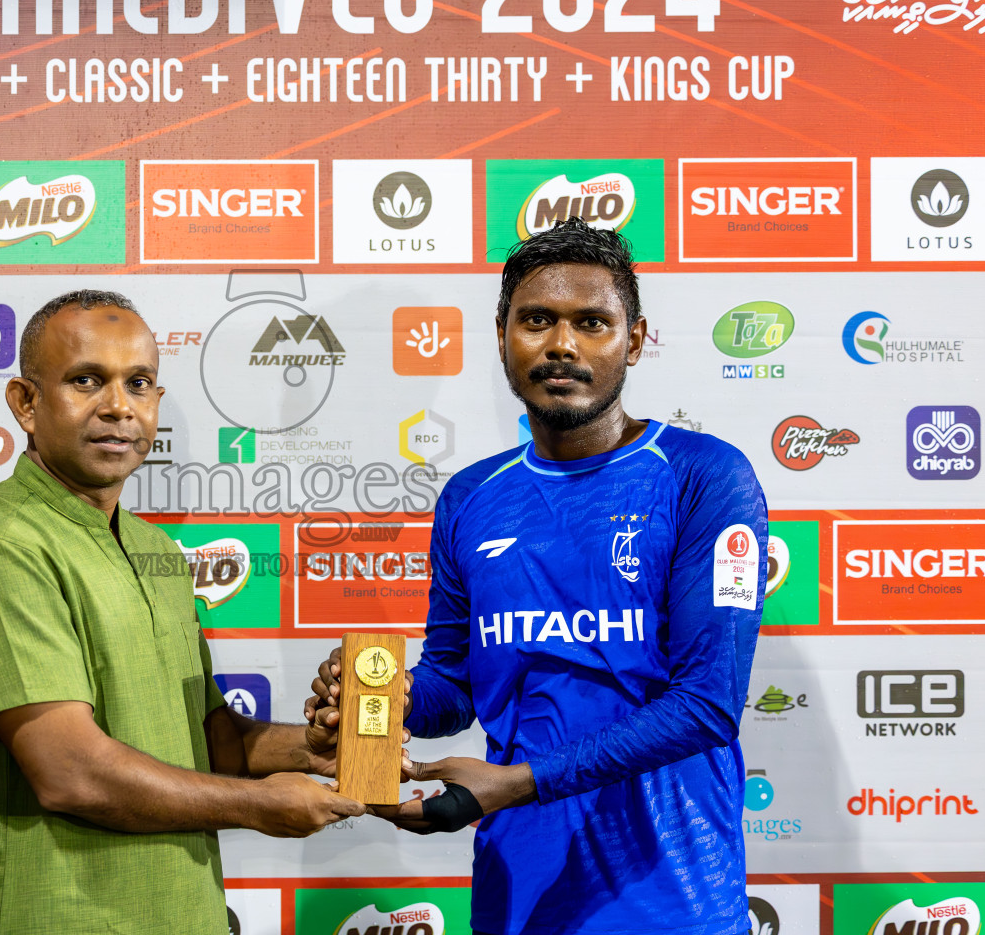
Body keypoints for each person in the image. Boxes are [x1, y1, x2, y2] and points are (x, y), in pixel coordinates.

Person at [307, 220, 767, 935]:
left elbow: (707, 704)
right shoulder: (471, 496)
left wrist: (516, 785)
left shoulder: (703, 477)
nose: (561, 344)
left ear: (634, 340)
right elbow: (454, 685)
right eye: (537, 321)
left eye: (591, 322)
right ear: (501, 336)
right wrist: (386, 697)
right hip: (517, 895)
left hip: (674, 903)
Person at [0, 289, 362, 935]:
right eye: (86, 381)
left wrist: (312, 749)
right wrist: (257, 807)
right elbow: (69, 773)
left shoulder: (155, 551)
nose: (118, 407)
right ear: (26, 403)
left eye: (139, 383)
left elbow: (207, 742)